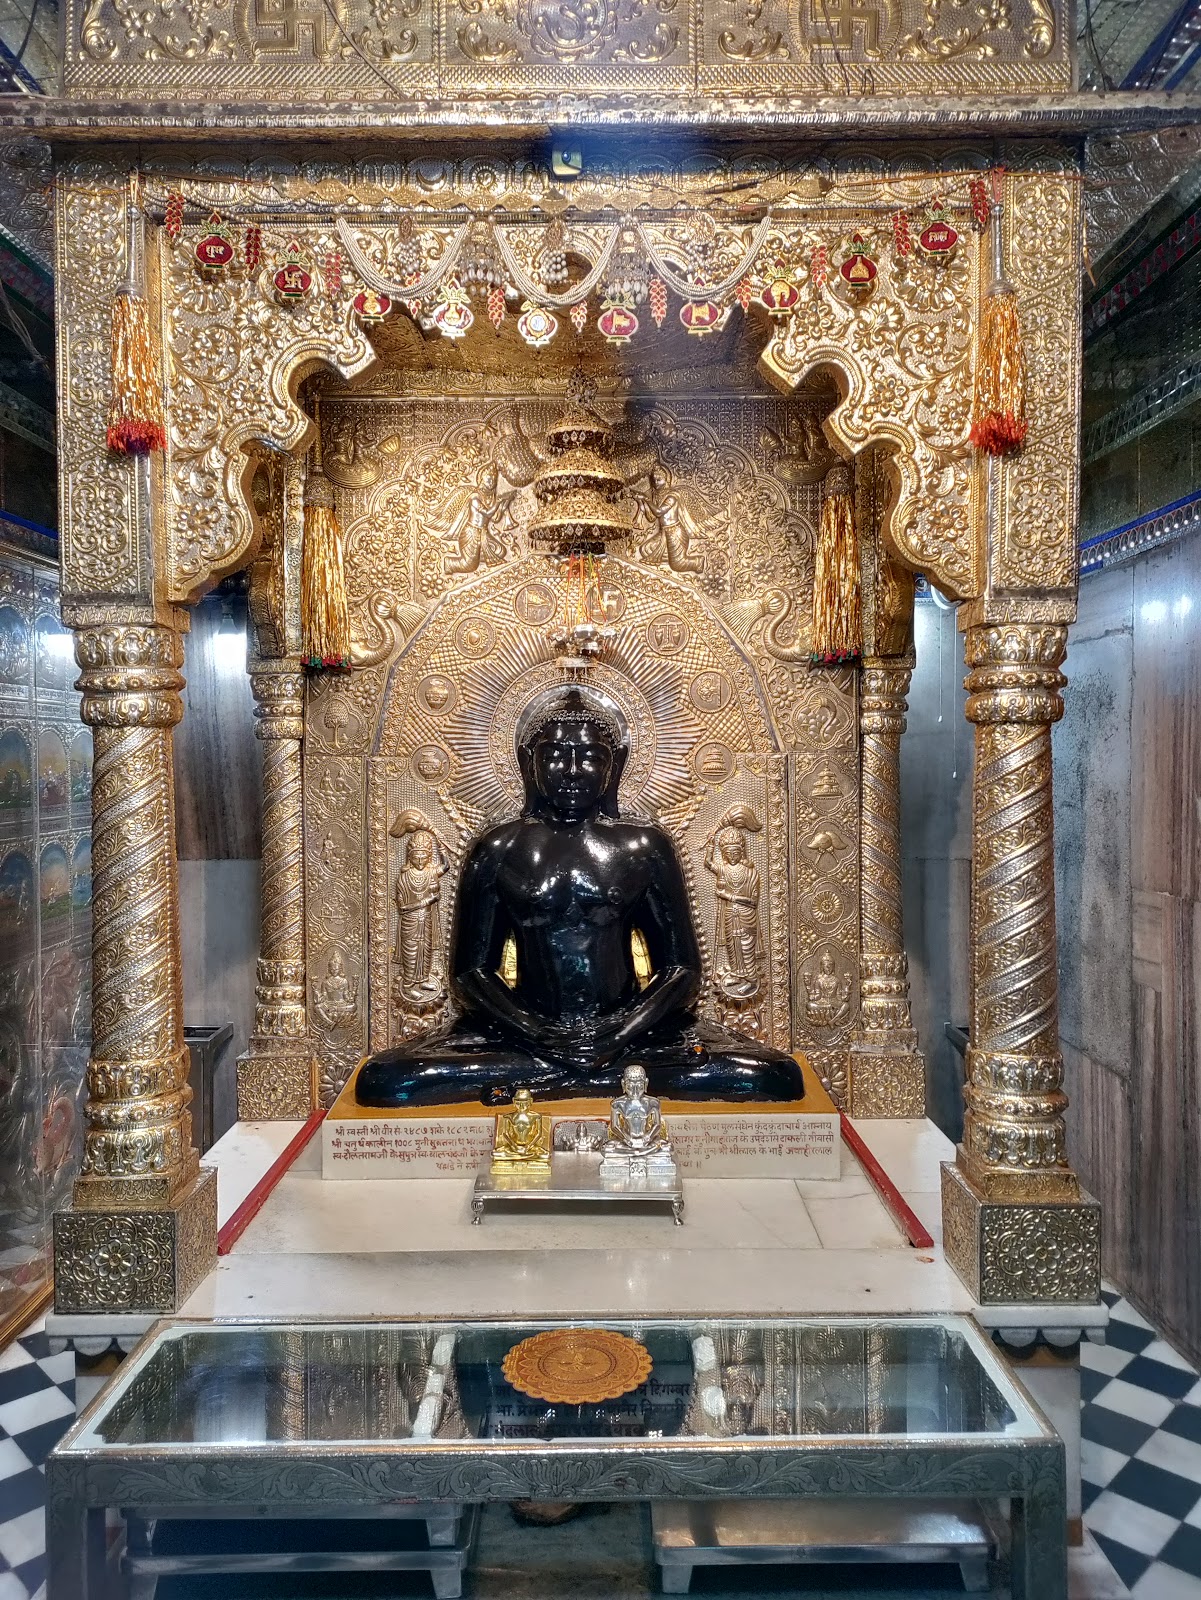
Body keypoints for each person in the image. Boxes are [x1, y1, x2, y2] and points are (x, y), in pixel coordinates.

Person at [355, 687, 805, 1107]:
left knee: (773, 1075)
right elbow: (471, 974)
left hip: (633, 1033)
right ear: (527, 761)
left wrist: (617, 1033)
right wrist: (541, 1033)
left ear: (616, 765)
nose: (572, 770)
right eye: (554, 755)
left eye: (591, 757)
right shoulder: (499, 848)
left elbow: (681, 971)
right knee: (386, 1080)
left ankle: (550, 1081)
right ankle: (597, 1078)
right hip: (523, 1035)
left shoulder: (643, 846)